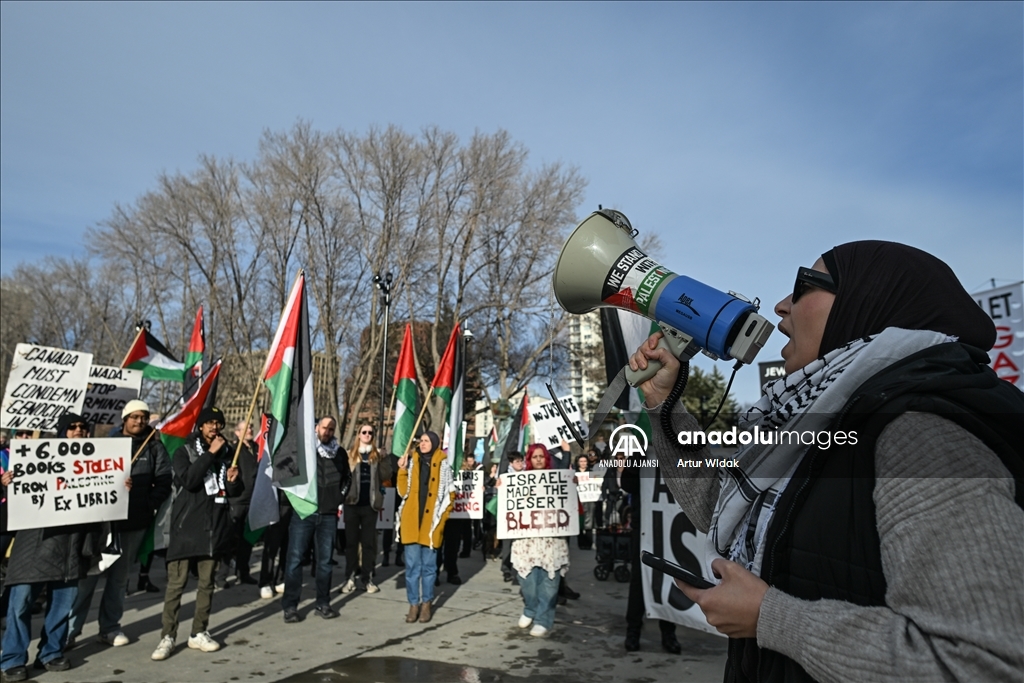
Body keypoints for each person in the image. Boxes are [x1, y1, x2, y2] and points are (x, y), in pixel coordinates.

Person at [629, 241, 1024, 682]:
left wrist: (771, 619)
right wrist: (663, 400)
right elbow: (718, 507)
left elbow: (983, 664)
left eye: (803, 286)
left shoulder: (922, 433)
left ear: (867, 302)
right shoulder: (824, 423)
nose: (781, 307)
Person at [1, 414, 102, 681]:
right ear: (61, 431)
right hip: (33, 546)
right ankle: (12, 659)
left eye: (83, 426)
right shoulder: (35, 459)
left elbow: (104, 501)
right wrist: (8, 487)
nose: (79, 430)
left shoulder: (96, 463)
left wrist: (120, 487)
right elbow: (15, 507)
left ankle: (50, 653)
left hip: (71, 547)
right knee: (20, 604)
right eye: (72, 427)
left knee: (61, 606)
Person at [69, 400, 173, 648]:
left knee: (119, 579)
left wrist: (145, 502)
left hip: (133, 524)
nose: (139, 421)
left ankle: (109, 628)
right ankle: (70, 631)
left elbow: (163, 483)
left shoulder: (155, 449)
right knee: (88, 579)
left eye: (144, 417)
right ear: (125, 419)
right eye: (134, 416)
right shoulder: (105, 445)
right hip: (100, 523)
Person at [151, 407, 242, 662]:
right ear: (200, 427)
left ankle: (198, 632)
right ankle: (168, 636)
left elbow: (232, 491)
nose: (215, 427)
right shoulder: (185, 452)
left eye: (218, 423)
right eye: (209, 423)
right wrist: (210, 455)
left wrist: (234, 481)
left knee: (207, 585)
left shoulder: (227, 455)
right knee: (176, 587)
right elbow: (189, 480)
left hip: (213, 530)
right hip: (185, 530)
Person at [281, 416, 349, 623]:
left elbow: (347, 478)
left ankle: (323, 602)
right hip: (304, 514)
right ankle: (290, 606)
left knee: (325, 562)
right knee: (295, 560)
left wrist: (339, 497)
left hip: (328, 515)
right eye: (324, 428)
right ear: (316, 428)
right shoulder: (303, 451)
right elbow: (287, 475)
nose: (327, 432)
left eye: (331, 429)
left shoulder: (340, 453)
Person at [509, 444, 570, 638]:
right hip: (527, 539)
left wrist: (567, 452)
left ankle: (544, 618)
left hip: (550, 538)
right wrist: (502, 488)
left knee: (549, 581)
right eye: (534, 457)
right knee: (527, 580)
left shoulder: (557, 478)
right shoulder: (519, 479)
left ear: (547, 459)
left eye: (541, 457)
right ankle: (530, 608)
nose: (538, 460)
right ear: (529, 459)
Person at [620, 465, 680, 654]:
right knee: (639, 581)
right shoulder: (642, 455)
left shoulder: (678, 456)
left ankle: (669, 632)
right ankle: (633, 631)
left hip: (670, 525)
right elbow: (628, 485)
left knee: (669, 578)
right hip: (644, 527)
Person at [396, 432, 454, 624]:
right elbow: (403, 491)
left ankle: (427, 603)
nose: (422, 443)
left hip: (431, 525)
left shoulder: (444, 464)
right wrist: (402, 471)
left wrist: (441, 521)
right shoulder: (411, 461)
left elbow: (449, 495)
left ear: (435, 443)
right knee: (412, 567)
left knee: (429, 568)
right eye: (421, 441)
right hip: (412, 523)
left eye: (427, 441)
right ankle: (413, 604)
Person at [340, 423, 393, 595]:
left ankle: (367, 578)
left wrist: (384, 458)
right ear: (358, 434)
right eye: (364, 432)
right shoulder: (349, 454)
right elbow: (342, 476)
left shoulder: (377, 456)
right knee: (351, 544)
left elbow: (386, 476)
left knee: (369, 544)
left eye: (370, 432)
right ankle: (349, 578)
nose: (367, 435)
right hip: (351, 504)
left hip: (370, 506)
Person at [216, 420, 258, 589]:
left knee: (247, 540)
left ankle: (243, 572)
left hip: (252, 500)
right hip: (237, 500)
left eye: (251, 427)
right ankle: (221, 576)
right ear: (237, 432)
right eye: (246, 428)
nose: (249, 430)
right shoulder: (234, 450)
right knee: (230, 540)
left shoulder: (256, 449)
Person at [574, 454, 595, 550]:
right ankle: (581, 543)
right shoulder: (574, 473)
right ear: (578, 463)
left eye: (585, 461)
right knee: (579, 523)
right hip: (578, 500)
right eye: (581, 461)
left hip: (589, 500)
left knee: (589, 523)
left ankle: (589, 543)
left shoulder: (592, 473)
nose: (583, 463)